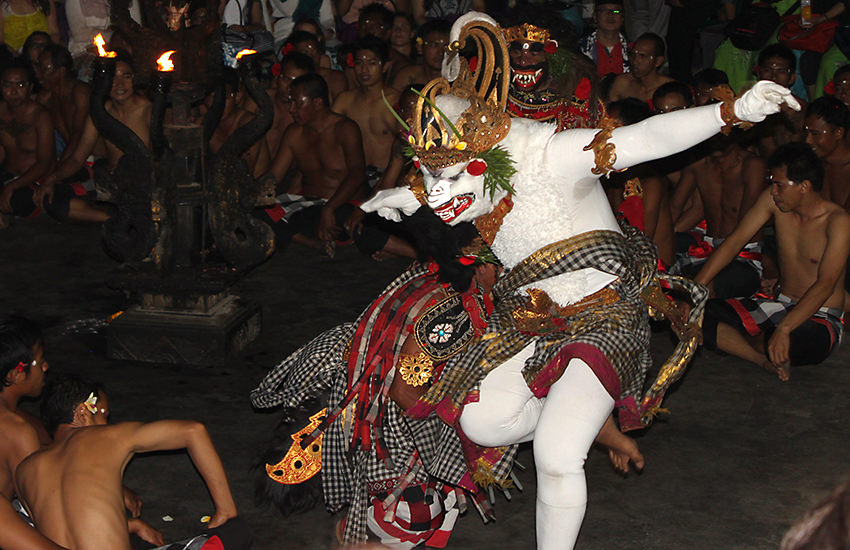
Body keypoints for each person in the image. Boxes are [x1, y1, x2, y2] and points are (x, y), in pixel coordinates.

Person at [362, 13, 792, 548]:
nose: (436, 191)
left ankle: (574, 431)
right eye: (428, 174)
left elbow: (647, 138)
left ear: (486, 160)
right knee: (482, 424)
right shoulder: (462, 169)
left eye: (447, 177)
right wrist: (406, 196)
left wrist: (734, 110)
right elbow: (441, 183)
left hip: (603, 314)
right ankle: (576, 411)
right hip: (528, 319)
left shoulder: (551, 153)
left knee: (556, 456)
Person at [15, 373, 251, 550]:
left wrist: (133, 525)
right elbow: (193, 431)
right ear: (82, 412)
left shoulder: (25, 470)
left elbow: (59, 530)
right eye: (103, 414)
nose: (106, 423)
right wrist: (225, 510)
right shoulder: (108, 437)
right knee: (235, 533)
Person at [698, 142, 850, 382]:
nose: (773, 191)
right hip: (777, 305)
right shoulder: (773, 202)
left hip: (820, 316)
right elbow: (735, 241)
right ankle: (760, 357)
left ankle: (754, 342)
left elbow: (826, 284)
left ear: (804, 187)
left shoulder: (838, 221)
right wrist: (696, 288)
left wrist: (786, 328)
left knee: (792, 341)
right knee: (693, 316)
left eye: (779, 185)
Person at [36, 51, 150, 216]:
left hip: (141, 185)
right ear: (103, 81)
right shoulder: (100, 113)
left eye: (126, 76)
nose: (120, 84)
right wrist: (51, 179)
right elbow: (77, 158)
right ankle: (110, 219)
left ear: (135, 78)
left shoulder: (147, 109)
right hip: (109, 182)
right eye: (113, 77)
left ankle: (124, 218)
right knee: (50, 199)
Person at [669, 131, 767, 299]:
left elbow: (743, 232)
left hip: (742, 254)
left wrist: (709, 277)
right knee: (664, 272)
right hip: (705, 248)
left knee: (702, 289)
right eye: (711, 132)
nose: (715, 139)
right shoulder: (699, 164)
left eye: (721, 133)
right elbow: (675, 209)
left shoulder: (752, 166)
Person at [0, 317, 62, 550]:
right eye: (40, 361)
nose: (45, 367)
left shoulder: (16, 419)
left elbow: (48, 441)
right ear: (15, 375)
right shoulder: (17, 431)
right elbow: (41, 506)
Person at [502, 7, 601, 130]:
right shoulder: (496, 92)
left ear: (552, 57)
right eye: (517, 52)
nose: (523, 61)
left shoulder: (576, 94)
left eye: (534, 54)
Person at [604, 98, 675, 268]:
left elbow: (640, 244)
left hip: (654, 274)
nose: (602, 136)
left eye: (609, 130)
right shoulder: (610, 174)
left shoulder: (650, 182)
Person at [0, 61, 58, 228]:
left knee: (18, 199)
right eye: (7, 85)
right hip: (8, 174)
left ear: (30, 87)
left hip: (33, 179)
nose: (13, 91)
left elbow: (45, 162)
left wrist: (10, 187)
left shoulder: (40, 116)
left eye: (20, 85)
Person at [332, 37, 398, 180]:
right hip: (353, 175)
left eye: (372, 63)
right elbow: (326, 134)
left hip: (388, 175)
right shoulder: (344, 100)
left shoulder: (394, 101)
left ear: (385, 66)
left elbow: (406, 147)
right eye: (359, 63)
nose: (364, 70)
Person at [34, 44, 90, 161]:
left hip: (91, 156)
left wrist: (61, 168)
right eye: (38, 68)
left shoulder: (80, 92)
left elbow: (78, 134)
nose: (38, 74)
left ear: (60, 71)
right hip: (67, 154)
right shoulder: (46, 98)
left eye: (44, 69)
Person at [753, 44, 807, 160]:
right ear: (759, 73)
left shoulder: (799, 108)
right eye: (767, 70)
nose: (773, 77)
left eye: (781, 71)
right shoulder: (748, 105)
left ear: (792, 78)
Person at [803, 96, 850, 210]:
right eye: (806, 132)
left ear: (838, 132)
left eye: (815, 134)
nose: (807, 140)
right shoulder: (812, 165)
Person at [607, 32, 673, 103]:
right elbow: (608, 112)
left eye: (642, 56)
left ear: (658, 61)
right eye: (633, 54)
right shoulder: (623, 83)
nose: (635, 61)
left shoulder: (670, 89)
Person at [283, 30, 346, 102]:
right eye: (305, 53)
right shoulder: (287, 82)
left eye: (315, 51)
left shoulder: (335, 78)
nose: (312, 56)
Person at [392, 19, 450, 92]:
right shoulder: (407, 77)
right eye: (434, 45)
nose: (441, 53)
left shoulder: (460, 80)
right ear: (419, 47)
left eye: (447, 47)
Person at [579, 0, 629, 78]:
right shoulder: (580, 49)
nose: (610, 14)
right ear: (595, 16)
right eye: (604, 10)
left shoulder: (632, 50)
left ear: (622, 18)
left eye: (616, 11)